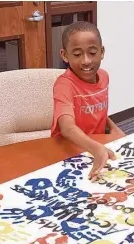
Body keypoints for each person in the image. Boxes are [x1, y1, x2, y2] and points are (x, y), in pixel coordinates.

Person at [50, 21, 124, 181]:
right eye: (77, 54)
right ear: (64, 55)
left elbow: (97, 110)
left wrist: (113, 128)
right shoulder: (64, 85)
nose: (86, 61)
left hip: (95, 147)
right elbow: (67, 128)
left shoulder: (104, 76)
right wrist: (95, 148)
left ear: (102, 52)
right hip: (66, 150)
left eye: (92, 52)